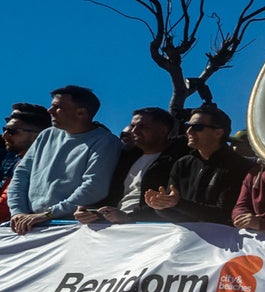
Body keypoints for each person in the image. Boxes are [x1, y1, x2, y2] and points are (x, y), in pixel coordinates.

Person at [7, 86, 123, 234]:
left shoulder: (105, 142)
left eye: (57, 107)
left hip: (70, 231)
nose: (50, 110)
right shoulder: (46, 135)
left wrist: (49, 214)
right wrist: (18, 212)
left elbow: (94, 187)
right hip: (30, 226)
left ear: (81, 113)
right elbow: (21, 174)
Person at [141, 104, 256, 226]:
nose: (189, 131)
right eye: (187, 126)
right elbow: (176, 214)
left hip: (223, 240)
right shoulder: (183, 164)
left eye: (197, 127)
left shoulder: (239, 166)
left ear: (218, 132)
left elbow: (225, 214)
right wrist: (160, 206)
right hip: (187, 238)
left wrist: (177, 204)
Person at [74, 107, 180, 225]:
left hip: (149, 230)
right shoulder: (124, 159)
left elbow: (171, 204)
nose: (134, 131)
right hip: (114, 225)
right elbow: (109, 193)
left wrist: (130, 217)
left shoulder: (178, 161)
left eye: (142, 127)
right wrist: (87, 210)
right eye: (133, 126)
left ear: (163, 130)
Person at [0, 103, 52, 221]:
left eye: (11, 131)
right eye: (4, 130)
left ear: (38, 135)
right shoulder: (12, 158)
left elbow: (3, 208)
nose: (5, 136)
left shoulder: (48, 163)